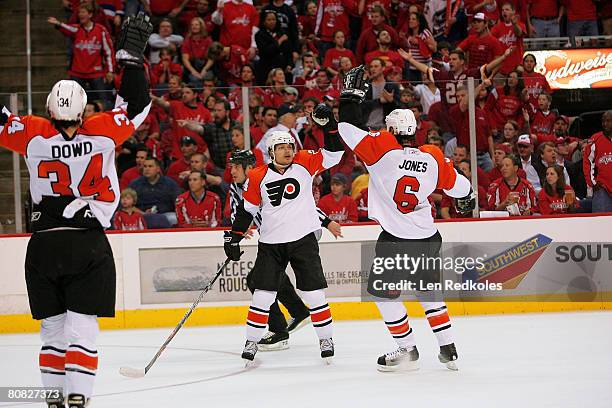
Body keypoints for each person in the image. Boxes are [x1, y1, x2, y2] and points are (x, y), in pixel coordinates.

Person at [0, 13, 152, 408]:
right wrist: (131, 61)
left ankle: (53, 398)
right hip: (87, 244)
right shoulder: (102, 130)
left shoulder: (32, 133)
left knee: (52, 330)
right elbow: (138, 105)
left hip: (44, 246)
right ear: (83, 109)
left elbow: (2, 121)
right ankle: (78, 397)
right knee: (81, 329)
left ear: (50, 108)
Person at [335, 65, 475, 371]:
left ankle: (407, 349)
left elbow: (346, 129)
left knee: (382, 294)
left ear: (392, 129)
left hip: (397, 240)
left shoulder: (384, 149)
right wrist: (468, 198)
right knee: (428, 291)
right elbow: (462, 187)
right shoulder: (432, 155)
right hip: (428, 236)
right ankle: (447, 347)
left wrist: (349, 97)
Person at [223, 113, 346, 364]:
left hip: (303, 240)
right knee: (263, 295)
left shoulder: (304, 161)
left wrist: (330, 127)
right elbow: (247, 212)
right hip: (271, 244)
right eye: (281, 147)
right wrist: (233, 239)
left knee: (314, 295)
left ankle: (326, 339)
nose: (288, 150)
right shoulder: (257, 176)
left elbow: (334, 155)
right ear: (271, 151)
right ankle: (252, 341)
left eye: (289, 146)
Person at [47, 3, 115, 104]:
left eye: (83, 12)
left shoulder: (101, 30)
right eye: (79, 12)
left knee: (104, 101)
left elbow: (109, 52)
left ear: (90, 14)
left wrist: (110, 70)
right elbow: (67, 28)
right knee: (75, 102)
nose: (80, 14)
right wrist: (58, 23)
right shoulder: (77, 29)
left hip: (96, 73)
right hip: (77, 73)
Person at [129, 158, 182, 228]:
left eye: (150, 166)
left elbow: (178, 203)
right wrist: (142, 213)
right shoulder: (135, 184)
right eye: (145, 166)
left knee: (174, 218)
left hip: (165, 215)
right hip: (141, 215)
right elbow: (128, 205)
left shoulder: (170, 183)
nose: (147, 169)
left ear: (158, 169)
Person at [583, 110, 612, 212]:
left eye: (608, 121)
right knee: (600, 221)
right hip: (603, 188)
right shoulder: (595, 139)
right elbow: (587, 162)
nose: (605, 124)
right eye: (603, 121)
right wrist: (593, 183)